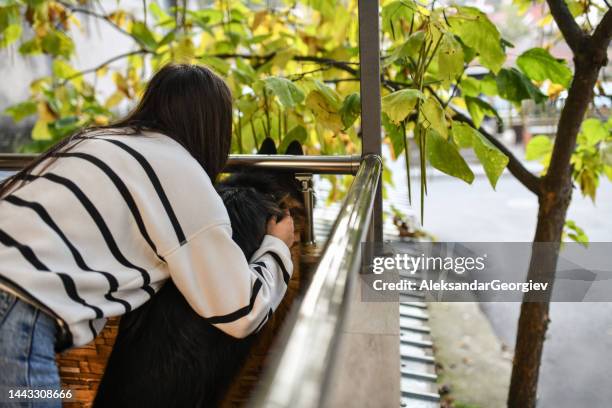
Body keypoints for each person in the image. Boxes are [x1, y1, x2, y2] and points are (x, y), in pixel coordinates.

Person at [0, 63, 294, 407]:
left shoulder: (93, 139)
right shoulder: (181, 175)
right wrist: (276, 246)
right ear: (213, 129)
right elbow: (241, 312)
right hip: (14, 311)